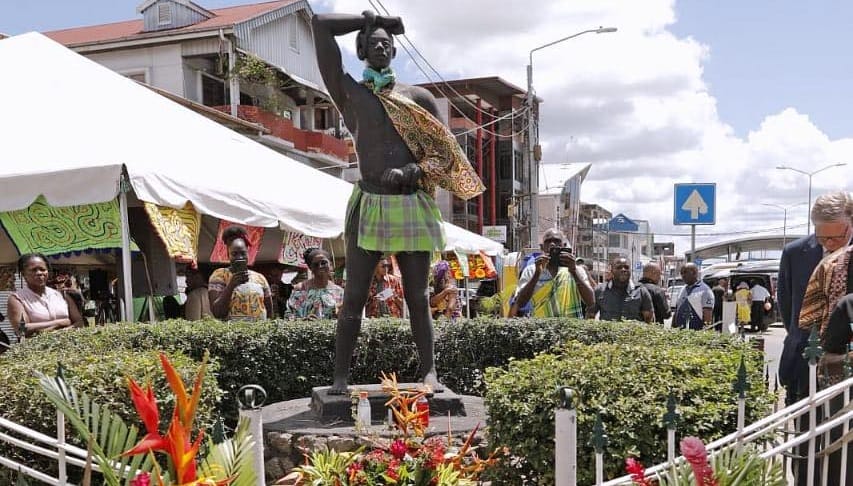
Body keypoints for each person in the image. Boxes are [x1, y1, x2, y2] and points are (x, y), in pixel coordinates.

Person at [312, 10, 484, 394]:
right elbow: (320, 26)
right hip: (370, 201)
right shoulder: (350, 93)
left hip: (410, 201)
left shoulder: (417, 97)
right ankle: (340, 377)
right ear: (361, 49)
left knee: (419, 295)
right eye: (373, 42)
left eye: (387, 44)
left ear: (394, 50)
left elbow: (447, 154)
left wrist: (412, 170)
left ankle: (429, 372)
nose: (381, 47)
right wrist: (365, 17)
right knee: (354, 294)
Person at [778, 192, 852, 406]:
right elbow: (787, 307)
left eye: (837, 237)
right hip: (803, 362)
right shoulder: (794, 253)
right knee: (803, 434)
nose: (830, 244)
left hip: (846, 365)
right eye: (823, 237)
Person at [513, 229, 595, 318]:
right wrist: (536, 274)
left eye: (556, 241)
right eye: (548, 241)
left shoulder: (577, 270)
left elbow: (591, 302)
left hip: (570, 328)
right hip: (541, 329)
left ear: (563, 245)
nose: (552, 244)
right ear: (542, 247)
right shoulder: (531, 270)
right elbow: (520, 303)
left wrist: (574, 272)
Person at [6, 253, 84, 338]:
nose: (39, 273)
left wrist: (62, 332)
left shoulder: (63, 296)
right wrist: (60, 323)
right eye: (33, 270)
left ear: (48, 272)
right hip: (37, 349)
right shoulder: (17, 299)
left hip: (69, 346)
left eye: (43, 269)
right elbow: (21, 329)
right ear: (23, 273)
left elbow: (79, 322)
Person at [208, 225, 273, 321]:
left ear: (248, 253)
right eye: (234, 254)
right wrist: (231, 285)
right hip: (233, 335)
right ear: (228, 254)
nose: (239, 257)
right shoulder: (219, 275)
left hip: (259, 334)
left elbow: (269, 312)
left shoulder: (260, 278)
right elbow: (218, 312)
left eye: (243, 253)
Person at [286, 248, 344, 319]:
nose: (320, 266)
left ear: (330, 265)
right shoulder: (301, 289)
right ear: (310, 268)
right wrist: (303, 321)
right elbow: (289, 315)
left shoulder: (339, 292)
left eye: (323, 263)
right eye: (315, 264)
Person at [590, 257, 653, 323]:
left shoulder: (641, 291)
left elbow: (649, 319)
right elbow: (590, 316)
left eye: (626, 267)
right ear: (612, 270)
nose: (623, 270)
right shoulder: (600, 291)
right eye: (619, 267)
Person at [672, 263, 714, 330]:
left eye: (685, 272)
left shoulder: (705, 290)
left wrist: (706, 332)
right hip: (679, 334)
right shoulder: (682, 289)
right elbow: (676, 311)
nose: (683, 275)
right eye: (681, 273)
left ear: (694, 273)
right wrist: (672, 328)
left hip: (695, 334)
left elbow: (708, 314)